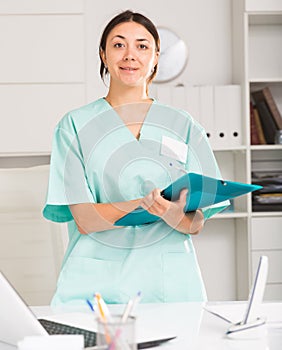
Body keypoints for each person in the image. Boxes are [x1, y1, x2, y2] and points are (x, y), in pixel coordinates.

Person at [43, 10, 229, 306]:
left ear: (156, 57)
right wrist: (147, 204)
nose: (130, 55)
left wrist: (171, 213)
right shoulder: (74, 126)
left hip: (169, 285)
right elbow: (85, 219)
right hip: (97, 287)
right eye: (119, 45)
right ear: (103, 55)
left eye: (142, 46)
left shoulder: (183, 125)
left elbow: (194, 223)